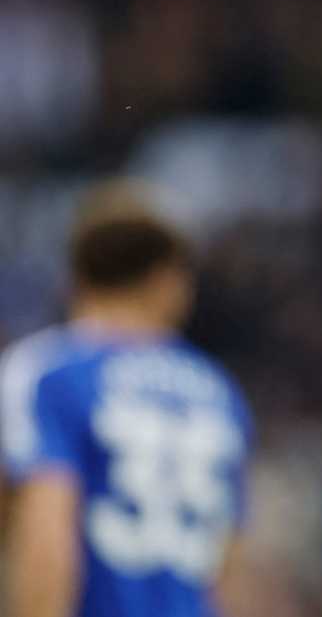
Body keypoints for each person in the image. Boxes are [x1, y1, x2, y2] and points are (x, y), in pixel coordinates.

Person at [0, 185, 253, 617]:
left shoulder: (47, 372)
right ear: (169, 283)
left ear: (75, 277)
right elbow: (227, 567)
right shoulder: (219, 392)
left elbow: (46, 536)